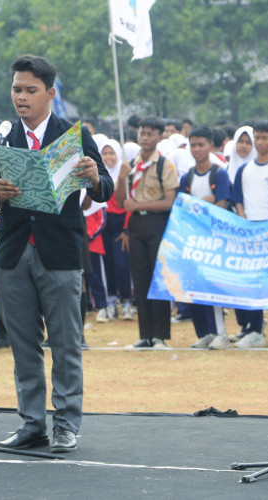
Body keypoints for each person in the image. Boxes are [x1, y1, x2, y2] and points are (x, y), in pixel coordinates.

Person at [0, 55, 113, 453]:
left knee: (66, 344)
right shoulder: (2, 139)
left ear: (50, 93)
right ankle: (32, 424)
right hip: (13, 254)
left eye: (30, 90)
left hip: (60, 254)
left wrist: (93, 178)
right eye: (17, 89)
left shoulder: (73, 133)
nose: (22, 97)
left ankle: (66, 424)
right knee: (23, 345)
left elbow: (105, 188)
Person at [115, 116, 179, 349]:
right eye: (142, 133)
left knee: (158, 278)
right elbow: (122, 201)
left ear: (159, 136)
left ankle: (160, 335)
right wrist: (121, 178)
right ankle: (145, 334)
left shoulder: (164, 165)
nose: (144, 138)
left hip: (157, 224)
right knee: (140, 279)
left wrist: (138, 206)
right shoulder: (130, 165)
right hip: (136, 226)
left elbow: (169, 201)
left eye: (150, 133)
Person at [231, 119, 268, 348]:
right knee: (251, 282)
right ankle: (254, 329)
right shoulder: (244, 170)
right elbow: (238, 200)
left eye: (265, 138)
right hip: (249, 232)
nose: (259, 142)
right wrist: (245, 221)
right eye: (257, 137)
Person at [178, 126, 231, 350]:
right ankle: (204, 332)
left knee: (213, 285)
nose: (197, 149)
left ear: (210, 145)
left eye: (201, 144)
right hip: (192, 239)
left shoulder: (219, 173)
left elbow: (222, 205)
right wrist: (204, 201)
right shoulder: (186, 176)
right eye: (193, 145)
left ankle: (221, 333)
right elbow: (182, 206)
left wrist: (198, 204)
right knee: (194, 286)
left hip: (213, 239)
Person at [98, 139, 134, 321]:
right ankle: (111, 301)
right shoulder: (98, 175)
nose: (108, 157)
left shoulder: (126, 175)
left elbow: (128, 204)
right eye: (105, 153)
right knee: (108, 265)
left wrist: (127, 230)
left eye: (112, 153)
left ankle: (127, 302)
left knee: (122, 265)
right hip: (103, 226)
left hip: (121, 226)